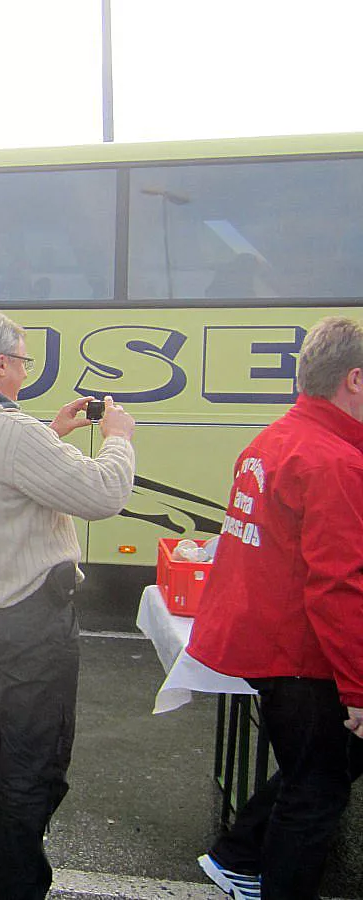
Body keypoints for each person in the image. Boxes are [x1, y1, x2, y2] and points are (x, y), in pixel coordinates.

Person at [0, 310, 135, 900]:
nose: (24, 372)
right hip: (31, 619)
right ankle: (11, 888)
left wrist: (52, 433)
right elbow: (103, 494)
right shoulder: (16, 434)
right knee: (33, 766)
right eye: (22, 361)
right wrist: (118, 437)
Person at [189, 315, 363, 900]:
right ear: (356, 380)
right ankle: (253, 867)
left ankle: (238, 855)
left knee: (314, 774)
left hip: (271, 643)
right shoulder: (334, 460)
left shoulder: (277, 438)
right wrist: (360, 690)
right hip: (299, 655)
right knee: (316, 794)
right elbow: (337, 586)